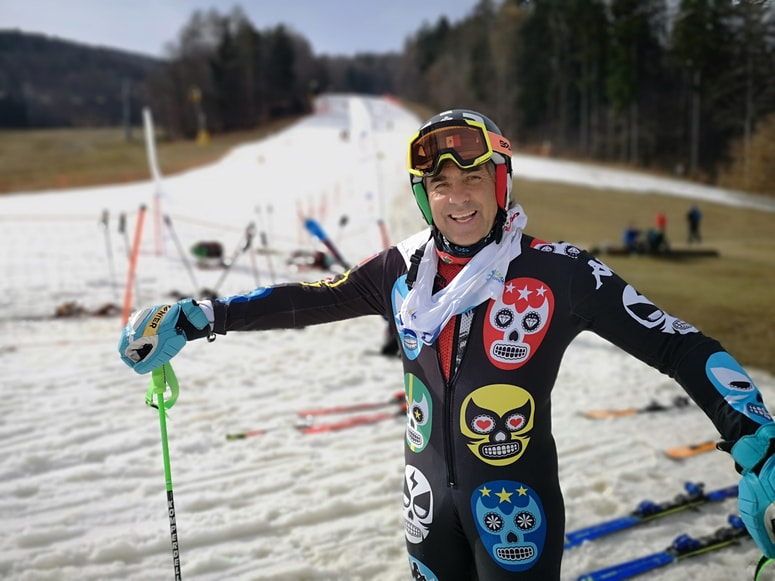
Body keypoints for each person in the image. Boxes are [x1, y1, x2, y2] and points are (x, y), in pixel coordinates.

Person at [119, 109, 775, 580]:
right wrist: (200, 316)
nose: (457, 197)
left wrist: (755, 437)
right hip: (424, 504)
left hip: (516, 507)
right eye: (440, 184)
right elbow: (306, 300)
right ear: (423, 195)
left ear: (501, 184)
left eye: (474, 179)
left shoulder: (558, 271)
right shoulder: (397, 270)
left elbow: (679, 345)